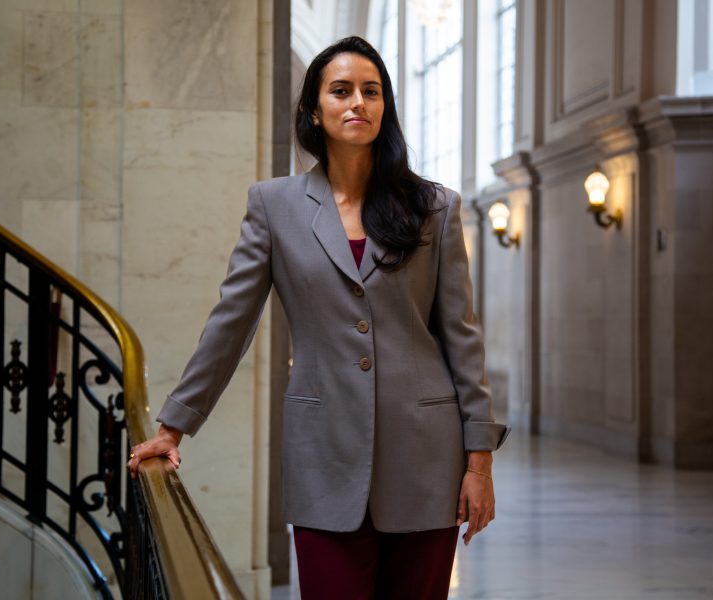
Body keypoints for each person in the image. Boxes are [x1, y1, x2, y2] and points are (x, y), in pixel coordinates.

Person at [127, 35, 509, 599]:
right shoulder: (273, 205)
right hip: (323, 457)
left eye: (371, 91)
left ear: (385, 107)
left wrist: (479, 466)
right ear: (314, 109)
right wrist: (174, 425)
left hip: (428, 460)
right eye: (341, 90)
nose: (358, 102)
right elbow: (231, 321)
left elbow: (462, 338)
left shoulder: (435, 207)